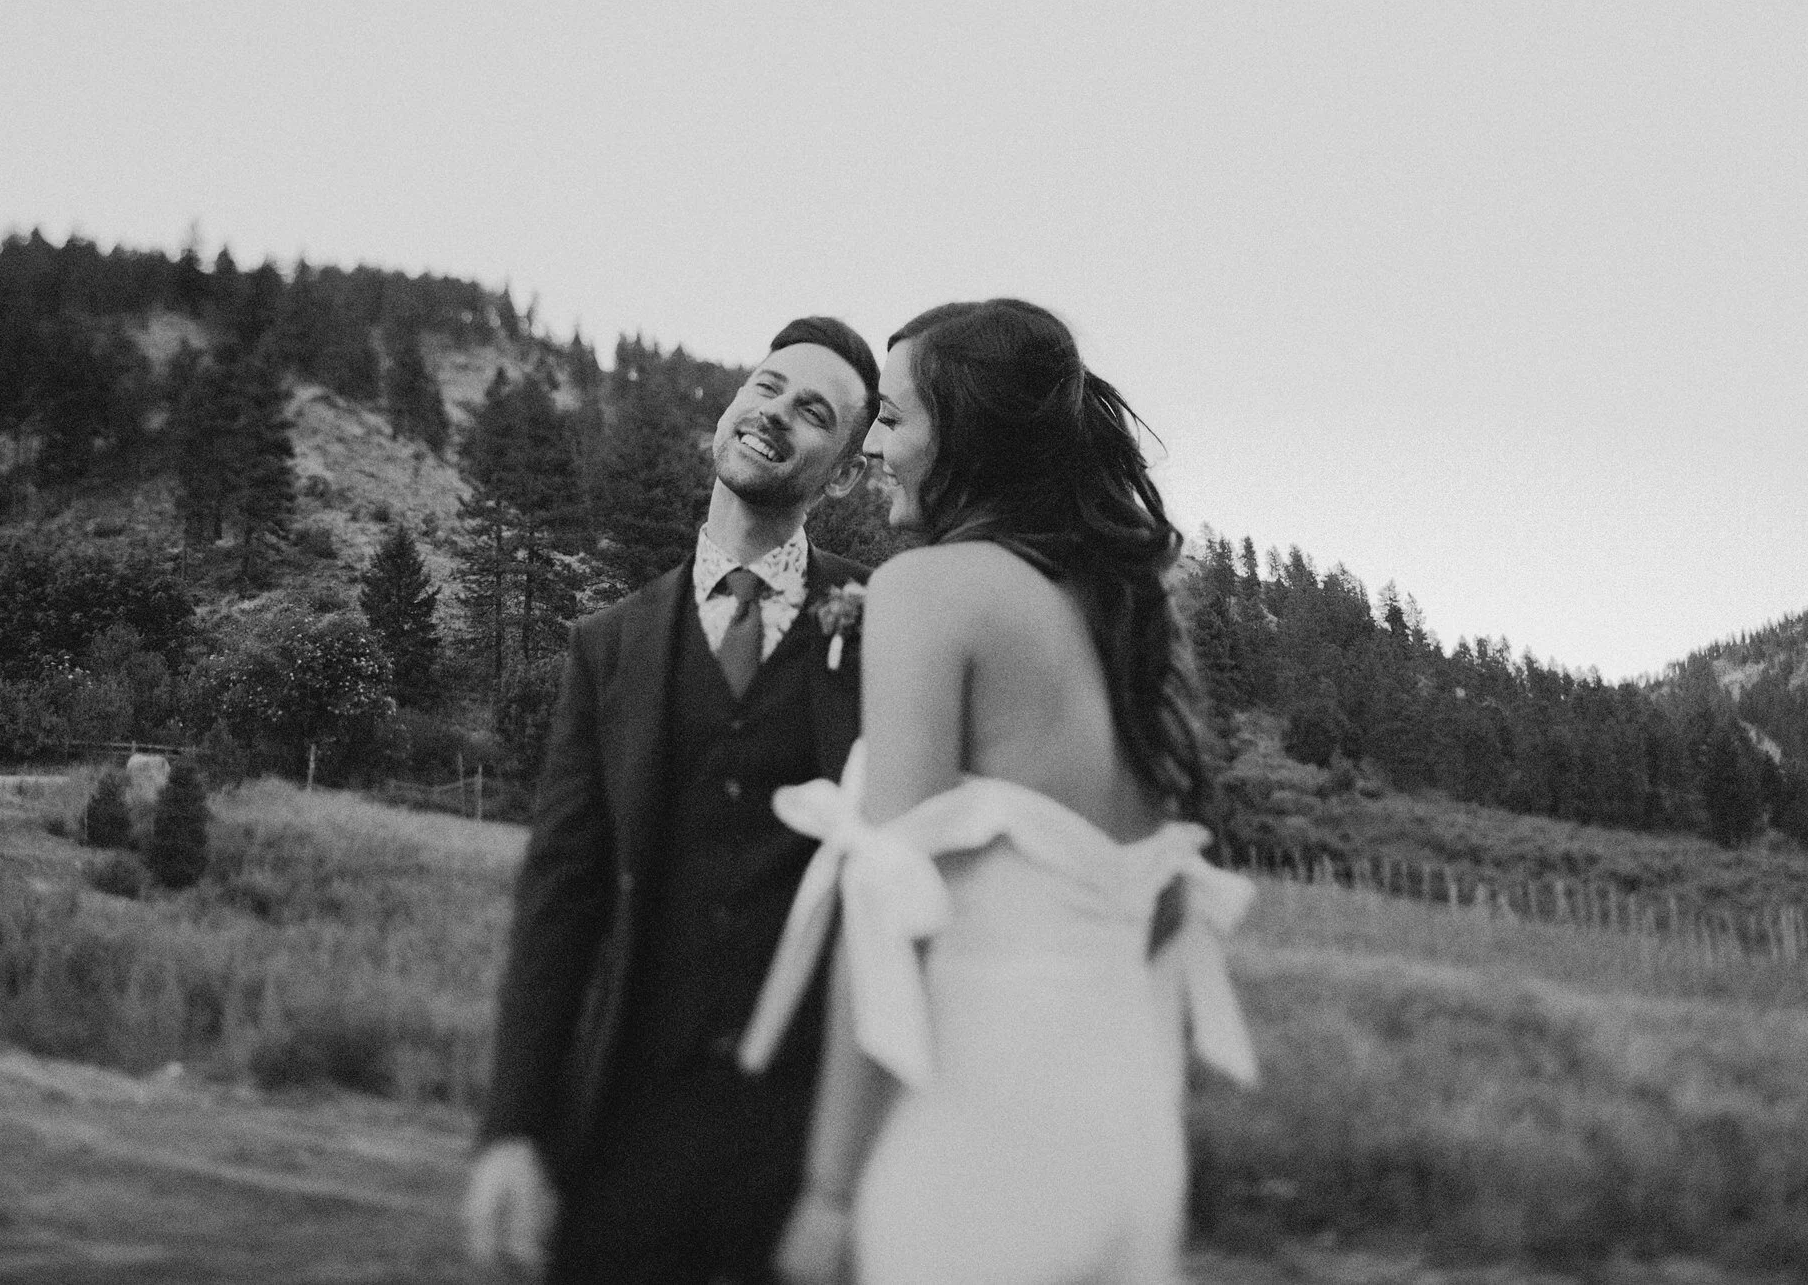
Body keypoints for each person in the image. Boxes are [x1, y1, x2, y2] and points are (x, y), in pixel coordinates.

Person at [745, 299, 1258, 1285]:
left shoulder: (929, 590)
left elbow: (889, 914)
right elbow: (1155, 923)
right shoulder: (1126, 621)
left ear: (965, 435)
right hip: (1126, 1144)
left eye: (891, 419)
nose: (869, 447)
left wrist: (831, 1188)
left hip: (975, 1140)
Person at [463, 316, 881, 1284]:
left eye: (813, 411)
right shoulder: (606, 644)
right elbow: (558, 898)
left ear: (848, 471)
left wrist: (858, 1173)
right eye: (766, 387)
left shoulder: (883, 617)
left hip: (804, 1144)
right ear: (729, 406)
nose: (776, 414)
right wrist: (513, 1128)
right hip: (624, 1132)